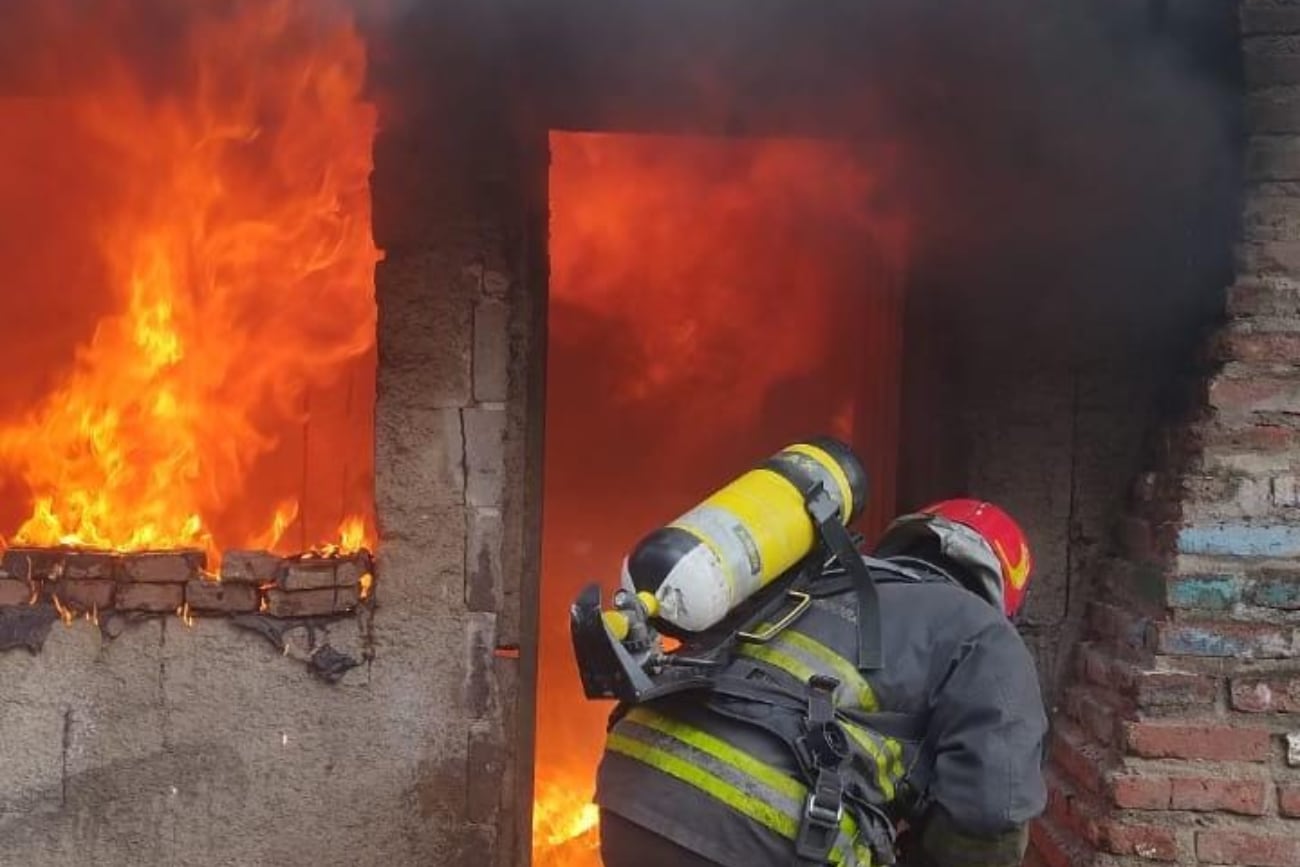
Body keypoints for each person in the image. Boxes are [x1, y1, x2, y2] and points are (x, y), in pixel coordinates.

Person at [595, 499, 1048, 867]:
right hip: (766, 836)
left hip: (633, 790)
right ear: (1002, 594)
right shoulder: (985, 633)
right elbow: (993, 814)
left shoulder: (804, 580)